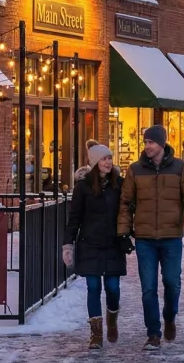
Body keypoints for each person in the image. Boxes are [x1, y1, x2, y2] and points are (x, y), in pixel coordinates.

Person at [117, 125, 184, 351]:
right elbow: (126, 203)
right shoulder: (135, 170)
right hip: (144, 239)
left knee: (172, 283)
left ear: (162, 144)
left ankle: (170, 316)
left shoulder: (180, 168)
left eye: (151, 142)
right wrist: (123, 232)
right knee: (148, 288)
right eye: (145, 143)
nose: (147, 146)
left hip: (171, 236)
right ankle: (153, 333)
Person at [63, 141, 132, 350]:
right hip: (89, 244)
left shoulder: (119, 185)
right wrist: (68, 244)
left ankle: (112, 320)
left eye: (110, 158)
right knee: (93, 288)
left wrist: (128, 233)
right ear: (94, 162)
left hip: (112, 244)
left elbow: (127, 211)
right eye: (104, 158)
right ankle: (96, 334)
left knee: (113, 288)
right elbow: (74, 218)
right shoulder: (82, 188)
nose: (108, 162)